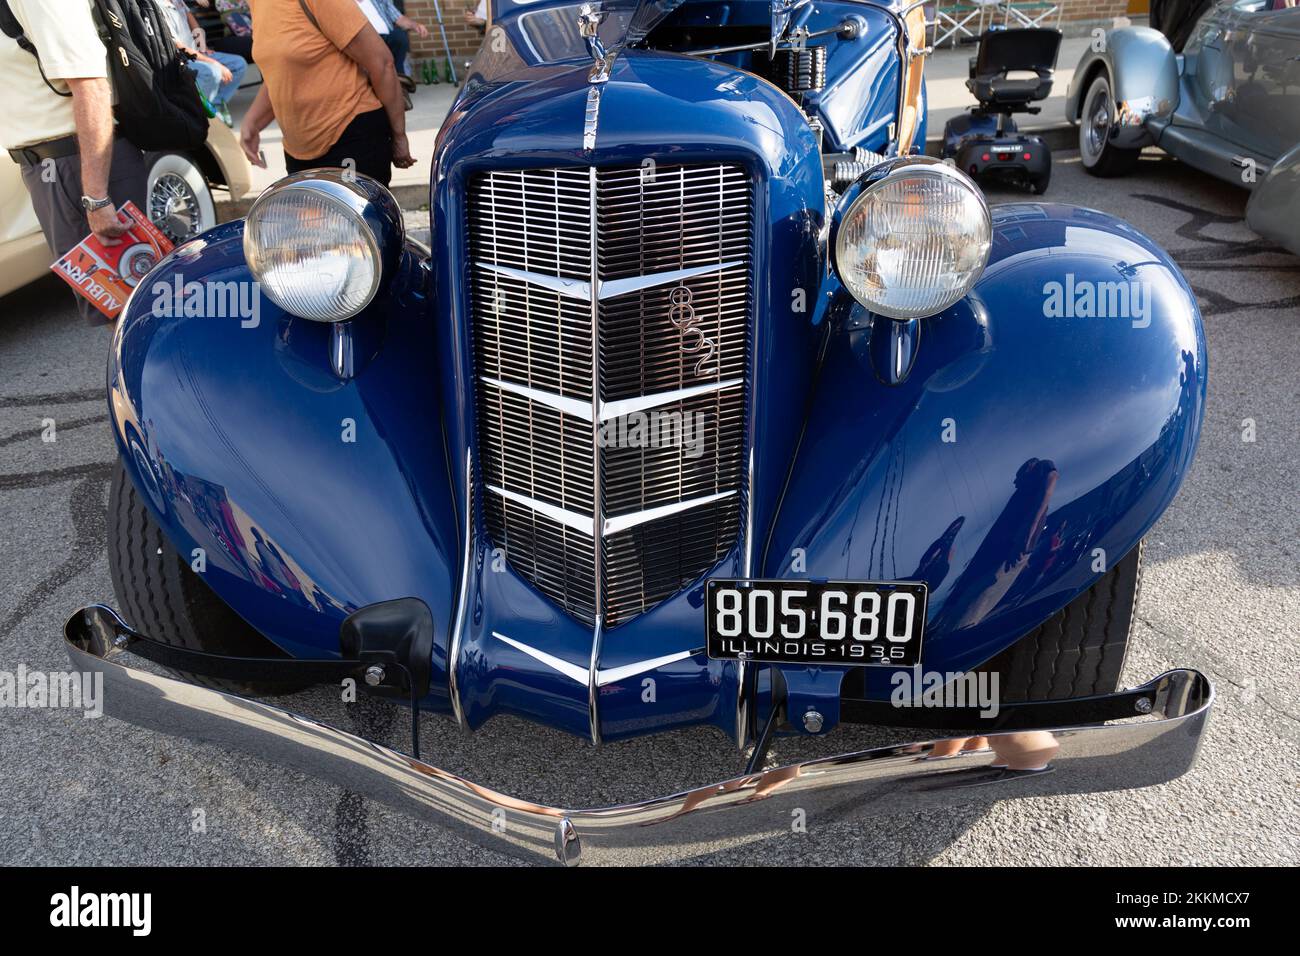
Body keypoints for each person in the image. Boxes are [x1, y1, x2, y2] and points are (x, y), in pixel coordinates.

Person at [0, 0, 147, 324]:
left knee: (133, 310)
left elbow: (92, 87)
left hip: (77, 164)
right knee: (115, 310)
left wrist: (96, 197)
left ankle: (182, 375)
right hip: (50, 167)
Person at [241, 0, 414, 186]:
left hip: (351, 135)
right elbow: (281, 72)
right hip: (299, 150)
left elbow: (382, 63)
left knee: (356, 215)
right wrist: (252, 122)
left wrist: (399, 135)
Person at [154, 0, 247, 126]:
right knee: (212, 72)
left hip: (196, 54)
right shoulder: (157, 6)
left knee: (238, 64)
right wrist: (214, 63)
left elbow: (194, 24)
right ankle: (199, 114)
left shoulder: (177, 1)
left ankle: (215, 104)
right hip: (180, 59)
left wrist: (202, 47)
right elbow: (178, 46)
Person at [356, 0, 428, 92]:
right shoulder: (344, 3)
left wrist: (415, 25)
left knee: (399, 37)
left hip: (387, 36)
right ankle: (384, 88)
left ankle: (400, 82)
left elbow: (399, 18)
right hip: (365, 39)